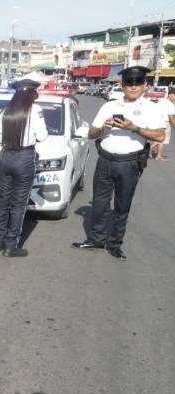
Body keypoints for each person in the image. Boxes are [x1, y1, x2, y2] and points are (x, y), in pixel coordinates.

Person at [72, 66, 166, 261]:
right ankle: (96, 240)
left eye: (137, 83)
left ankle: (114, 244)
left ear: (145, 85)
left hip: (129, 163)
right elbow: (91, 133)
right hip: (105, 160)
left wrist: (134, 128)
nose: (133, 87)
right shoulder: (110, 106)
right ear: (122, 86)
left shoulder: (150, 107)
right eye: (128, 84)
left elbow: (160, 134)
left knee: (122, 205)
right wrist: (103, 129)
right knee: (99, 203)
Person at [0, 79, 48, 257]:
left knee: (3, 200)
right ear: (32, 94)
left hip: (5, 156)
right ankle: (11, 245)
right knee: (18, 204)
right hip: (24, 158)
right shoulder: (35, 110)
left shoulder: (4, 111)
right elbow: (43, 135)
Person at [150, 88, 175, 161]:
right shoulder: (170, 105)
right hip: (164, 123)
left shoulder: (162, 101)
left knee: (160, 139)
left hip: (157, 121)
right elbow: (171, 118)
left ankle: (159, 156)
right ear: (172, 95)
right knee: (162, 139)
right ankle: (148, 150)